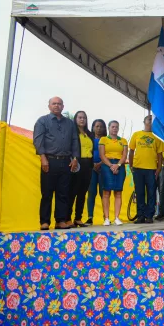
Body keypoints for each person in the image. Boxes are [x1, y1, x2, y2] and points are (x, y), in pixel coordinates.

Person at [33, 97, 80, 230]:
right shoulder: (43, 121)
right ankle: (45, 221)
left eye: (59, 104)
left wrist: (75, 158)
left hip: (66, 162)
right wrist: (43, 157)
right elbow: (38, 140)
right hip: (49, 160)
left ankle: (60, 220)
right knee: (47, 193)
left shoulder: (70, 123)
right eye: (54, 103)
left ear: (63, 107)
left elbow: (75, 140)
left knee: (63, 192)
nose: (57, 106)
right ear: (49, 106)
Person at [129, 115, 164, 224]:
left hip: (151, 169)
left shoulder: (157, 137)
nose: (150, 121)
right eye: (149, 119)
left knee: (151, 193)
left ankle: (149, 216)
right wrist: (131, 165)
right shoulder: (136, 134)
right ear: (144, 121)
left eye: (152, 120)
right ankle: (140, 216)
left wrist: (158, 169)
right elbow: (131, 151)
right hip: (138, 168)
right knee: (139, 193)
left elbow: (160, 155)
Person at [67, 111, 94, 228]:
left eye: (84, 118)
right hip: (77, 163)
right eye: (79, 117)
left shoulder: (89, 134)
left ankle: (78, 218)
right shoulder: (72, 132)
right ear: (75, 119)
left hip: (88, 164)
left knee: (82, 193)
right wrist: (73, 159)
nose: (82, 120)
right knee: (72, 192)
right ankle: (67, 218)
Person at [99, 120, 128, 226]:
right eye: (113, 127)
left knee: (118, 192)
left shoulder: (123, 140)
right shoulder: (103, 139)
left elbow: (124, 155)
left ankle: (117, 217)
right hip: (107, 164)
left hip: (119, 164)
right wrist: (111, 165)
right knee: (106, 192)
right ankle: (106, 218)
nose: (114, 129)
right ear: (109, 128)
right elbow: (102, 155)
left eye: (116, 127)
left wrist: (118, 165)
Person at [86, 119, 107, 225]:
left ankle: (106, 217)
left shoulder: (107, 140)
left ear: (104, 128)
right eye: (96, 126)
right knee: (91, 192)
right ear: (93, 127)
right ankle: (90, 217)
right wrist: (92, 164)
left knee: (103, 193)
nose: (99, 128)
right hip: (91, 168)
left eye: (101, 126)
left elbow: (109, 153)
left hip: (103, 168)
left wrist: (100, 164)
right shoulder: (89, 138)